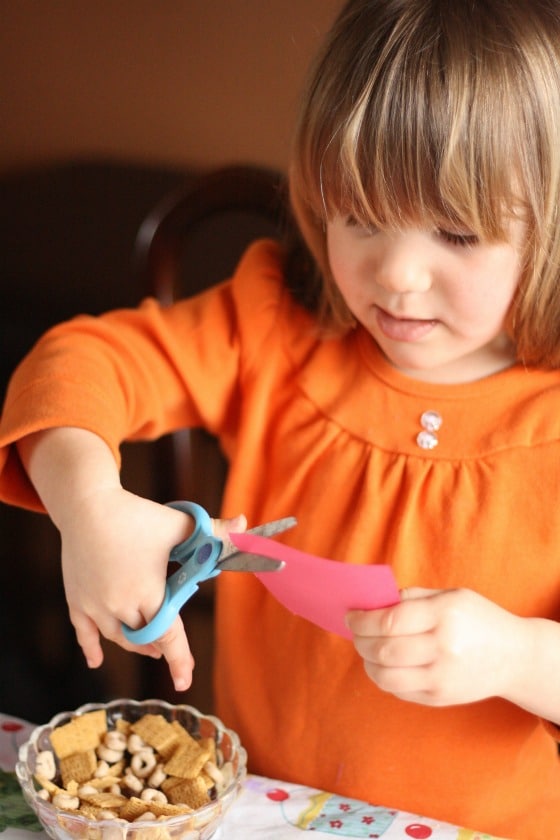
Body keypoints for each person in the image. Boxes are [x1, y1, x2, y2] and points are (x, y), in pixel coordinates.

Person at [1, 0, 560, 835]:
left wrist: (519, 658)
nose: (398, 276)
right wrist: (89, 505)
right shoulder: (272, 325)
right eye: (360, 215)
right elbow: (79, 365)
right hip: (263, 813)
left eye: (455, 231)